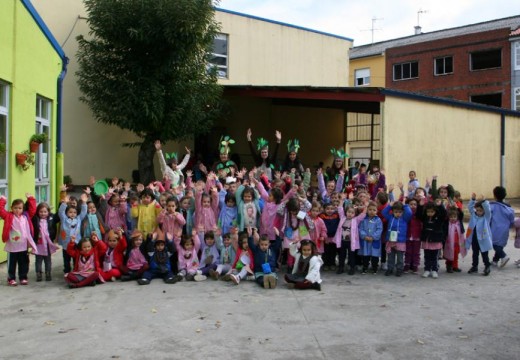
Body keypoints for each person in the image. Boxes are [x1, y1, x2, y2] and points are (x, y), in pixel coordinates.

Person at [0, 194, 38, 286]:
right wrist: (3, 200)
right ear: (11, 208)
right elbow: (1, 210)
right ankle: (11, 278)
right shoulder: (9, 216)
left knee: (24, 263)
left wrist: (31, 199)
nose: (17, 210)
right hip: (12, 247)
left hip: (23, 246)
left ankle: (23, 277)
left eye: (20, 208)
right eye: (15, 208)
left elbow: (33, 210)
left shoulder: (26, 216)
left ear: (23, 208)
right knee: (12, 264)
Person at [58, 193, 88, 274]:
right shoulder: (64, 219)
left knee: (76, 258)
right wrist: (64, 203)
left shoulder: (78, 219)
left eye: (74, 212)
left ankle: (76, 270)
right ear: (67, 213)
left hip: (76, 243)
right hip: (66, 244)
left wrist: (84, 203)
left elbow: (83, 213)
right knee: (66, 259)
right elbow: (61, 212)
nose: (72, 214)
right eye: (70, 212)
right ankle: (67, 271)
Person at [334, 203, 366, 275]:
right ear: (346, 212)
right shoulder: (342, 218)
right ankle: (341, 267)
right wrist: (341, 201)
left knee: (351, 255)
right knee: (342, 255)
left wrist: (366, 207)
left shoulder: (356, 220)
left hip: (351, 242)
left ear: (354, 214)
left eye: (352, 212)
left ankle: (352, 268)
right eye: (349, 212)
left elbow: (362, 215)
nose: (350, 214)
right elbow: (340, 209)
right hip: (342, 241)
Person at [381, 201, 412, 277]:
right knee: (390, 257)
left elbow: (409, 213)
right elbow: (383, 212)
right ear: (393, 211)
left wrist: (405, 205)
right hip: (391, 241)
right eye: (396, 212)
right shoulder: (390, 217)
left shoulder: (404, 218)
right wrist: (389, 206)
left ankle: (399, 269)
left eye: (400, 212)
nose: (398, 213)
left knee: (400, 258)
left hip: (400, 241)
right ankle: (390, 268)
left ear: (403, 212)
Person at [466, 194, 493, 276]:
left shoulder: (486, 217)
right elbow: (470, 207)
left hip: (483, 239)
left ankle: (487, 266)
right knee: (475, 253)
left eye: (480, 210)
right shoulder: (474, 215)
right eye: (477, 210)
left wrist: (484, 201)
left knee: (484, 254)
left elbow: (488, 209)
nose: (478, 212)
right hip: (475, 238)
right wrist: (473, 199)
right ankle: (474, 266)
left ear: (484, 211)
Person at [32, 202, 59, 282]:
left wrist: (61, 202)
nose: (43, 213)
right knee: (38, 260)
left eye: (45, 212)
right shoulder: (35, 219)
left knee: (48, 260)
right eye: (41, 212)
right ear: (37, 212)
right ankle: (38, 273)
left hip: (47, 243)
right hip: (38, 243)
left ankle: (48, 273)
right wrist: (30, 200)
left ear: (48, 212)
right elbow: (31, 210)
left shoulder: (52, 218)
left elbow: (58, 215)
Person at [489, 186, 515, 267]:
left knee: (494, 244)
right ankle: (495, 261)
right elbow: (512, 220)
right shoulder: (508, 208)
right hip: (505, 229)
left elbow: (488, 216)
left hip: (495, 229)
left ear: (494, 196)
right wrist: (510, 226)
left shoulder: (492, 206)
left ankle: (504, 256)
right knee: (500, 245)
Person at [420, 201, 447, 279]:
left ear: (435, 211)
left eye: (432, 211)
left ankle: (434, 270)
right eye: (428, 212)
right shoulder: (425, 218)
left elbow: (444, 214)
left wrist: (440, 206)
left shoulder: (439, 218)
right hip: (427, 241)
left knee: (435, 257)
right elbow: (419, 215)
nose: (430, 213)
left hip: (435, 240)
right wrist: (421, 206)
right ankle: (427, 269)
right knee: (427, 256)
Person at [358, 201, 383, 274]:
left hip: (374, 241)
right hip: (366, 240)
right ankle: (365, 267)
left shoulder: (378, 220)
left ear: (377, 211)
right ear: (367, 210)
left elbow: (379, 229)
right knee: (365, 256)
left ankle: (374, 267)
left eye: (374, 210)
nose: (372, 211)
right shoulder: (363, 219)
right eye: (370, 209)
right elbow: (360, 229)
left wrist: (373, 237)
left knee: (375, 256)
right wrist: (364, 236)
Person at [404, 198, 422, 274]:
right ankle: (407, 264)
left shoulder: (419, 214)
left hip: (417, 235)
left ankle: (415, 265)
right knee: (408, 251)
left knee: (416, 252)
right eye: (411, 204)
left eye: (415, 204)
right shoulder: (406, 213)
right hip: (408, 235)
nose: (413, 206)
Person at [444, 207, 465, 273]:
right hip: (449, 243)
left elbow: (461, 214)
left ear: (457, 217)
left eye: (454, 216)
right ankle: (449, 266)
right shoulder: (447, 224)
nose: (453, 218)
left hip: (457, 243)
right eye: (451, 217)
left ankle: (455, 266)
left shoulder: (459, 223)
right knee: (449, 255)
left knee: (456, 255)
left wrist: (458, 208)